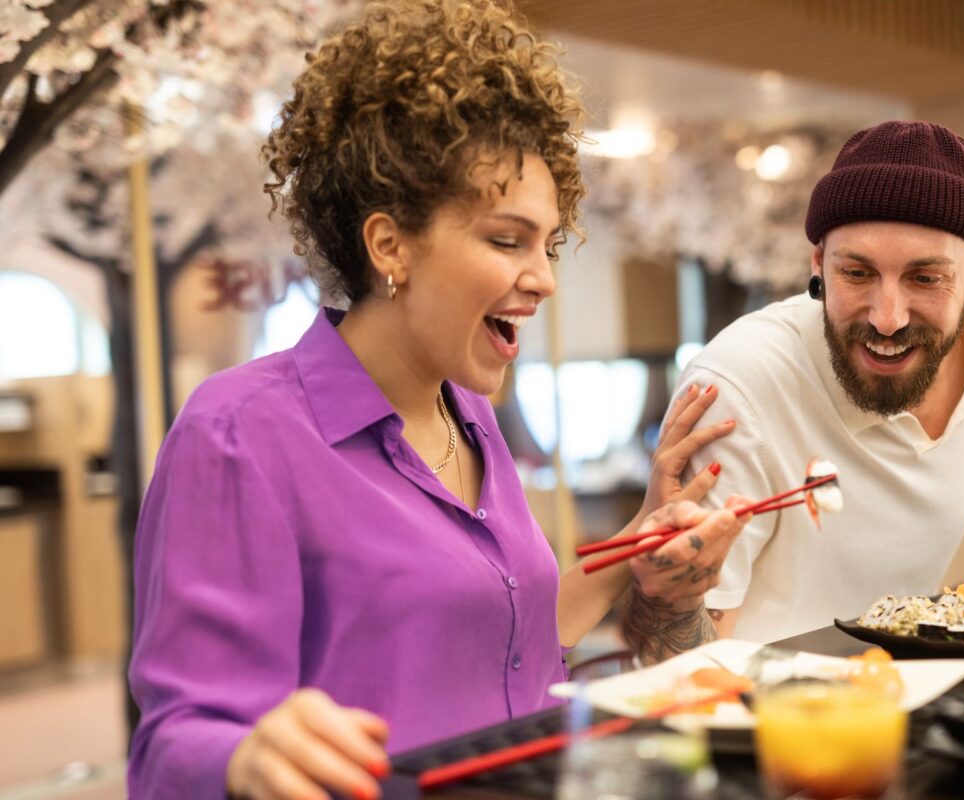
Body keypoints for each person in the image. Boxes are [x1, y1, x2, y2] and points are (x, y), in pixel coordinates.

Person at [127, 3, 746, 798]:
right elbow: (173, 748)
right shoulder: (240, 431)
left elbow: (503, 635)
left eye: (547, 244)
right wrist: (244, 758)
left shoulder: (470, 416)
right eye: (505, 239)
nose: (545, 278)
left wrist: (636, 552)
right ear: (390, 245)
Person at [620, 120, 964, 658]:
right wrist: (669, 601)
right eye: (858, 273)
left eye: (924, 278)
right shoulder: (741, 388)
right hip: (779, 715)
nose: (887, 319)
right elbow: (680, 667)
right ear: (819, 262)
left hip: (917, 678)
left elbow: (944, 441)